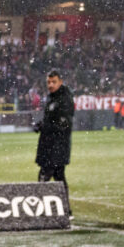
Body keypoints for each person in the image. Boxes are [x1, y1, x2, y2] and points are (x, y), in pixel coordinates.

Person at [33, 70, 75, 213]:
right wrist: (41, 125)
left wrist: (47, 127)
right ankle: (66, 210)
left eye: (53, 82)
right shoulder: (52, 98)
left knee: (45, 175)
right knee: (58, 176)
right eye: (48, 82)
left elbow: (64, 124)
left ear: (60, 82)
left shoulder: (65, 99)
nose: (50, 85)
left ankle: (40, 209)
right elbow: (51, 120)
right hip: (49, 144)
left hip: (57, 145)